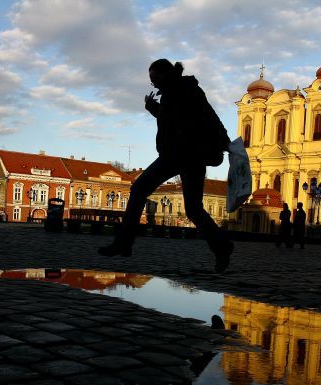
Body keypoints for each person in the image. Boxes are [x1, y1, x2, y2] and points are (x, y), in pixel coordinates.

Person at [98, 59, 234, 273]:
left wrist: (225, 142)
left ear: (165, 73)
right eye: (152, 82)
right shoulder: (177, 90)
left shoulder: (186, 90)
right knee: (192, 209)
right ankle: (221, 246)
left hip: (183, 154)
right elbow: (176, 119)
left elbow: (207, 118)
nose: (154, 85)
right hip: (182, 155)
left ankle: (124, 244)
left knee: (142, 191)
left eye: (155, 80)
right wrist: (154, 109)